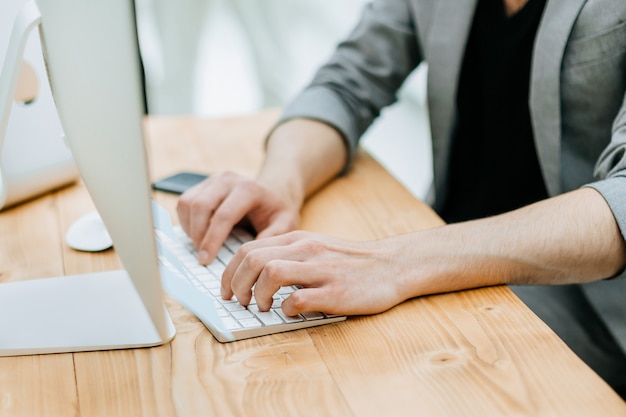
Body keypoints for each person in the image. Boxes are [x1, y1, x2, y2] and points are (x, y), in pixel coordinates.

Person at [177, 0, 626, 398]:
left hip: (589, 307)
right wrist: (281, 181)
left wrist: (395, 262)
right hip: (446, 259)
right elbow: (346, 83)